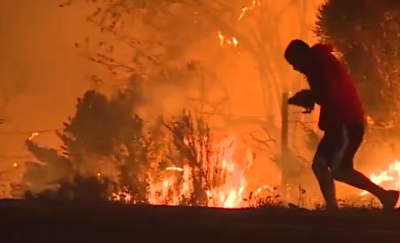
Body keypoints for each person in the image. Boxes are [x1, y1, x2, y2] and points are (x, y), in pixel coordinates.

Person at [284, 39, 399, 210]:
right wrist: (309, 97)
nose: (295, 68)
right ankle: (332, 209)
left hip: (346, 121)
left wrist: (307, 97)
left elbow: (328, 93)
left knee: (340, 170)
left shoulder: (320, 64)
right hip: (336, 124)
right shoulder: (318, 64)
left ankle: (385, 196)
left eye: (294, 62)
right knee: (319, 164)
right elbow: (325, 93)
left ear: (302, 55)